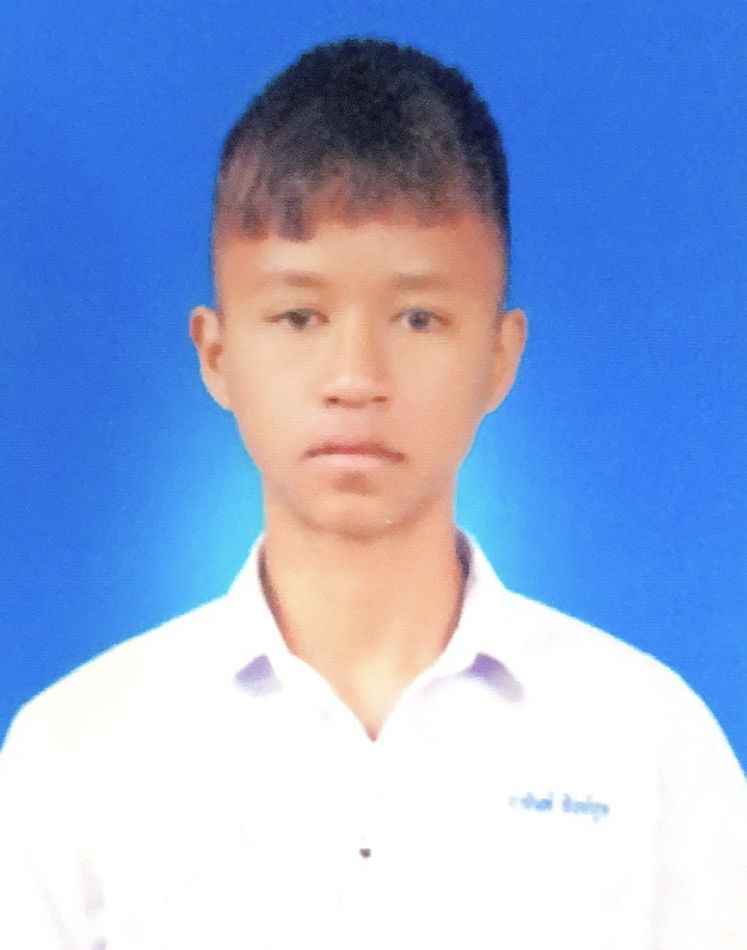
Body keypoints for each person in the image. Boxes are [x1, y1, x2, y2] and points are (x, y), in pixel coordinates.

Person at [1, 37, 745, 950]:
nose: (355, 378)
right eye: (299, 316)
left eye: (417, 317)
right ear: (217, 354)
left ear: (499, 355)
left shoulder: (647, 745)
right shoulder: (73, 756)